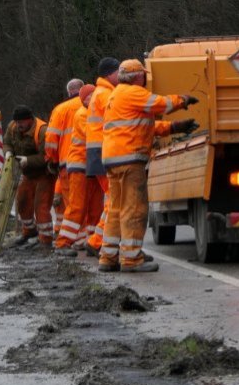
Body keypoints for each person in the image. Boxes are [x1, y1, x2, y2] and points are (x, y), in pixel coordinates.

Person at [98, 59, 198, 273]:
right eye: (143, 75)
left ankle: (108, 256)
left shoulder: (117, 94)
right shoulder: (134, 92)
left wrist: (174, 127)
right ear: (138, 76)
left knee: (116, 209)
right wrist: (184, 99)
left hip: (113, 159)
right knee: (134, 209)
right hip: (129, 159)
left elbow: (144, 125)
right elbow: (161, 104)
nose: (145, 79)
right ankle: (132, 259)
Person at [54, 84, 104, 256]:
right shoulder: (83, 115)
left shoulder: (91, 113)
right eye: (92, 96)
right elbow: (94, 135)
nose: (96, 98)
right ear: (85, 99)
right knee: (77, 206)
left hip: (92, 165)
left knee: (95, 207)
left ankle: (93, 241)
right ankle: (62, 243)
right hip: (80, 165)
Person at [4, 105, 55, 246]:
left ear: (29, 120)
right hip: (28, 174)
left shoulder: (42, 131)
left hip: (44, 174)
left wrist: (28, 160)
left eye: (21, 122)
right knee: (22, 201)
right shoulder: (12, 127)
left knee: (41, 206)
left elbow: (46, 156)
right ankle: (29, 230)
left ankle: (45, 239)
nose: (18, 125)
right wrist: (8, 152)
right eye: (17, 122)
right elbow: (7, 142)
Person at [84, 57, 120, 256]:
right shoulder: (106, 95)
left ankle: (98, 241)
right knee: (113, 201)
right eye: (118, 71)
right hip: (104, 153)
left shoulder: (101, 93)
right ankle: (98, 242)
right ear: (109, 74)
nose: (121, 75)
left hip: (99, 154)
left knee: (112, 201)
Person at [45, 78, 84, 238]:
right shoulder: (93, 104)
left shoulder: (60, 110)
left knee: (73, 203)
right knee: (93, 203)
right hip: (95, 160)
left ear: (69, 92)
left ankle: (78, 238)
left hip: (68, 163)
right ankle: (92, 237)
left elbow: (51, 141)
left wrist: (52, 160)